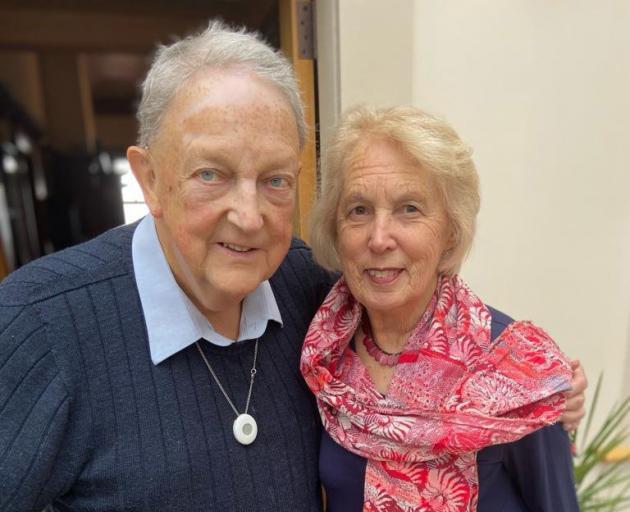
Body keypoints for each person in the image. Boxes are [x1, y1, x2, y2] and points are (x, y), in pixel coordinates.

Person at [0, 22, 584, 512]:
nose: (249, 216)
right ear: (150, 179)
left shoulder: (309, 295)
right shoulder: (39, 326)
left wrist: (537, 384)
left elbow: (423, 313)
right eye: (213, 174)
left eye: (275, 180)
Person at [301, 105, 581, 511]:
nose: (379, 238)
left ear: (450, 233)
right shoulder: (322, 356)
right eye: (359, 210)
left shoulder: (516, 368)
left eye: (408, 209)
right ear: (336, 228)